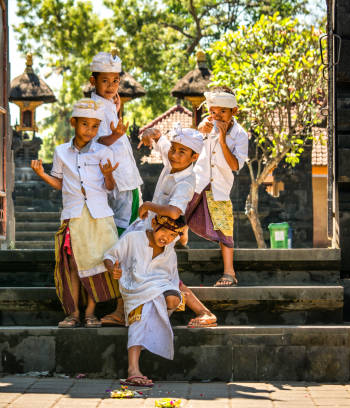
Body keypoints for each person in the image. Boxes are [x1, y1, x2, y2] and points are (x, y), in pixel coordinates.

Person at [30, 98, 120, 328]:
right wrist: (41, 173)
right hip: (74, 215)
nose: (89, 130)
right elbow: (60, 183)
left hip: (99, 217)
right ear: (73, 122)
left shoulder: (104, 152)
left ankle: (90, 312)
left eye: (94, 126)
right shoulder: (61, 152)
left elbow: (110, 187)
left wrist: (108, 174)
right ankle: (73, 313)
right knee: (73, 264)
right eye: (84, 125)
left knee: (97, 265)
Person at [127, 125, 218, 328]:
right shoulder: (173, 162)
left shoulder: (186, 181)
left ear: (194, 157)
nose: (174, 155)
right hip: (150, 229)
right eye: (173, 150)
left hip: (164, 235)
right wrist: (152, 134)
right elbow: (162, 142)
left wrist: (149, 205)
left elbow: (175, 212)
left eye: (181, 152)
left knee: (166, 279)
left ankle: (203, 312)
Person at [103, 215, 186, 387]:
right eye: (164, 231)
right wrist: (113, 270)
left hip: (160, 286)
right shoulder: (134, 238)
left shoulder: (169, 249)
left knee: (171, 300)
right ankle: (133, 370)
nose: (167, 238)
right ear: (154, 223)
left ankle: (137, 359)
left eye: (172, 235)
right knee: (144, 308)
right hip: (134, 287)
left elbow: (172, 277)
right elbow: (109, 257)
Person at [186, 86, 248, 287]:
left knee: (224, 226)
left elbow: (235, 165)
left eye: (223, 111)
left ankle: (229, 273)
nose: (217, 116)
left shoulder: (240, 135)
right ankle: (177, 248)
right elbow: (191, 148)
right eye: (214, 111)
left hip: (220, 187)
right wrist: (199, 131)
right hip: (197, 181)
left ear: (234, 112)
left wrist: (222, 139)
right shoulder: (206, 127)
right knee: (180, 214)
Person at [88, 51, 143, 236]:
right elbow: (98, 141)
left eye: (115, 81)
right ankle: (118, 258)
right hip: (118, 177)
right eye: (105, 81)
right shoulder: (94, 109)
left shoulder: (108, 104)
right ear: (93, 81)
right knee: (125, 221)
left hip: (125, 176)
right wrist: (115, 136)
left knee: (129, 219)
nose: (111, 86)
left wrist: (116, 109)